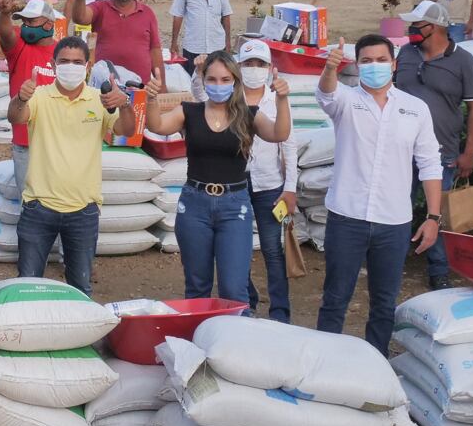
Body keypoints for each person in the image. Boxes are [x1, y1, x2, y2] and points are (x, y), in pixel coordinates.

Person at [315, 35, 444, 352]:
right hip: (347, 217)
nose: (375, 66)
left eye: (381, 60)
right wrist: (330, 69)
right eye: (367, 61)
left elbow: (429, 163)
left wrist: (433, 217)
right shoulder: (347, 102)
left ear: (394, 64)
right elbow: (327, 94)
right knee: (335, 297)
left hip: (393, 221)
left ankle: (376, 362)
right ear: (357, 66)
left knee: (384, 302)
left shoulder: (415, 109)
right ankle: (324, 361)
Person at [149, 50, 291, 305]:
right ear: (203, 80)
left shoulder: (248, 114)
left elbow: (279, 133)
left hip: (234, 206)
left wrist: (282, 99)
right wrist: (150, 99)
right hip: (195, 203)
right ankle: (198, 330)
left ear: (235, 81)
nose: (218, 85)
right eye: (212, 79)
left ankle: (235, 330)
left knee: (234, 289)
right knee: (197, 286)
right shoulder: (189, 111)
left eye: (225, 80)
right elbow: (157, 125)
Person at [8, 36, 135, 294]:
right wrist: (20, 98)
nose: (70, 67)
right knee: (27, 285)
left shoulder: (99, 99)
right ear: (53, 64)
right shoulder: (39, 96)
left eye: (77, 62)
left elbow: (127, 130)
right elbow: (16, 117)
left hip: (83, 210)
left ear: (87, 67)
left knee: (80, 288)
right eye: (64, 61)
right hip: (39, 206)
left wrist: (124, 105)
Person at [395, 1, 473, 289]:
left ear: (434, 27)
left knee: (439, 212)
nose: (410, 29)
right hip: (400, 150)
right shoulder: (406, 53)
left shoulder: (464, 61)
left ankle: (439, 271)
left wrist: (468, 153)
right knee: (397, 207)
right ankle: (392, 261)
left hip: (442, 152)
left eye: (416, 24)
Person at [224, 41, 301, 321]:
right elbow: (200, 99)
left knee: (272, 249)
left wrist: (290, 188)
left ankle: (280, 311)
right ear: (239, 67)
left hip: (270, 185)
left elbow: (288, 144)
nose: (254, 69)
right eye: (248, 64)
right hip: (236, 184)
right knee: (238, 247)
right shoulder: (229, 99)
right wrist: (198, 75)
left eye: (260, 64)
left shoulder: (277, 99)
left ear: (269, 68)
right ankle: (247, 301)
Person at [0, 0, 59, 195]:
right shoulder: (19, 46)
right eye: (23, 21)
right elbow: (5, 34)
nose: (25, 26)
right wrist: (4, 14)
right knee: (29, 201)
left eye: (31, 21)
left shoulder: (62, 53)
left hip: (56, 141)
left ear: (49, 24)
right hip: (25, 142)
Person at [69, 0, 160, 84]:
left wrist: (162, 84)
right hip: (105, 85)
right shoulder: (101, 7)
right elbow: (79, 18)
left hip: (139, 87)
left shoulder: (147, 13)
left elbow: (155, 50)